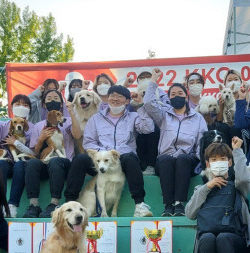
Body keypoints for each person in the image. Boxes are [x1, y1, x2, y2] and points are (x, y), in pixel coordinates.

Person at [185, 138, 250, 253]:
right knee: (207, 238)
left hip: (234, 242)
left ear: (229, 162)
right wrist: (207, 187)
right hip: (209, 245)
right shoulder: (201, 189)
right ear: (207, 164)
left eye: (223, 158)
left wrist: (237, 152)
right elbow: (189, 213)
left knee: (223, 237)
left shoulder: (237, 187)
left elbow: (245, 179)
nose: (218, 162)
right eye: (214, 159)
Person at [64, 85, 154, 217]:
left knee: (131, 159)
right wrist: (103, 153)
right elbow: (88, 142)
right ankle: (69, 203)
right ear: (107, 99)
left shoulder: (133, 117)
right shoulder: (96, 118)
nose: (115, 99)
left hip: (122, 158)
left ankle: (139, 205)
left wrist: (141, 105)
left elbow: (148, 128)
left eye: (119, 96)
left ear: (127, 101)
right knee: (80, 159)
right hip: (99, 159)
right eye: (112, 96)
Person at [143, 68, 207, 217]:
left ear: (186, 95)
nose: (176, 96)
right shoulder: (163, 115)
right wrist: (153, 80)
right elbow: (148, 102)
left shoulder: (198, 118)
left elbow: (201, 142)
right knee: (166, 160)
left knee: (183, 159)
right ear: (169, 98)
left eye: (180, 94)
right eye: (172, 94)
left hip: (187, 160)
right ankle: (168, 205)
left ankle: (179, 204)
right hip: (166, 159)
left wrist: (199, 161)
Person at [23, 89, 82, 218]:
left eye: (56, 98)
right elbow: (35, 152)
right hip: (45, 162)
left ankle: (54, 203)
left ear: (61, 103)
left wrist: (71, 111)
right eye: (49, 99)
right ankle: (34, 205)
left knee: (56, 161)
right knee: (32, 163)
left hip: (65, 163)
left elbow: (77, 135)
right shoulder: (39, 126)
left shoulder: (67, 121)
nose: (53, 101)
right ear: (44, 105)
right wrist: (41, 139)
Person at [0, 95, 35, 217]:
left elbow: (33, 153)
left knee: (20, 165)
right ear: (11, 107)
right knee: (1, 164)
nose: (21, 107)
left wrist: (15, 143)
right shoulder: (2, 125)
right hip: (4, 162)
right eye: (17, 104)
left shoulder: (32, 128)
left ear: (30, 109)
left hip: (21, 164)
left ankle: (12, 205)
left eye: (25, 105)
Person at [130, 67, 170, 175]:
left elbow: (165, 110)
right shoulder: (133, 95)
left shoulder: (163, 95)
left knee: (153, 131)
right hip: (140, 127)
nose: (144, 79)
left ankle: (151, 165)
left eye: (147, 76)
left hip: (158, 128)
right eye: (141, 78)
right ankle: (141, 164)